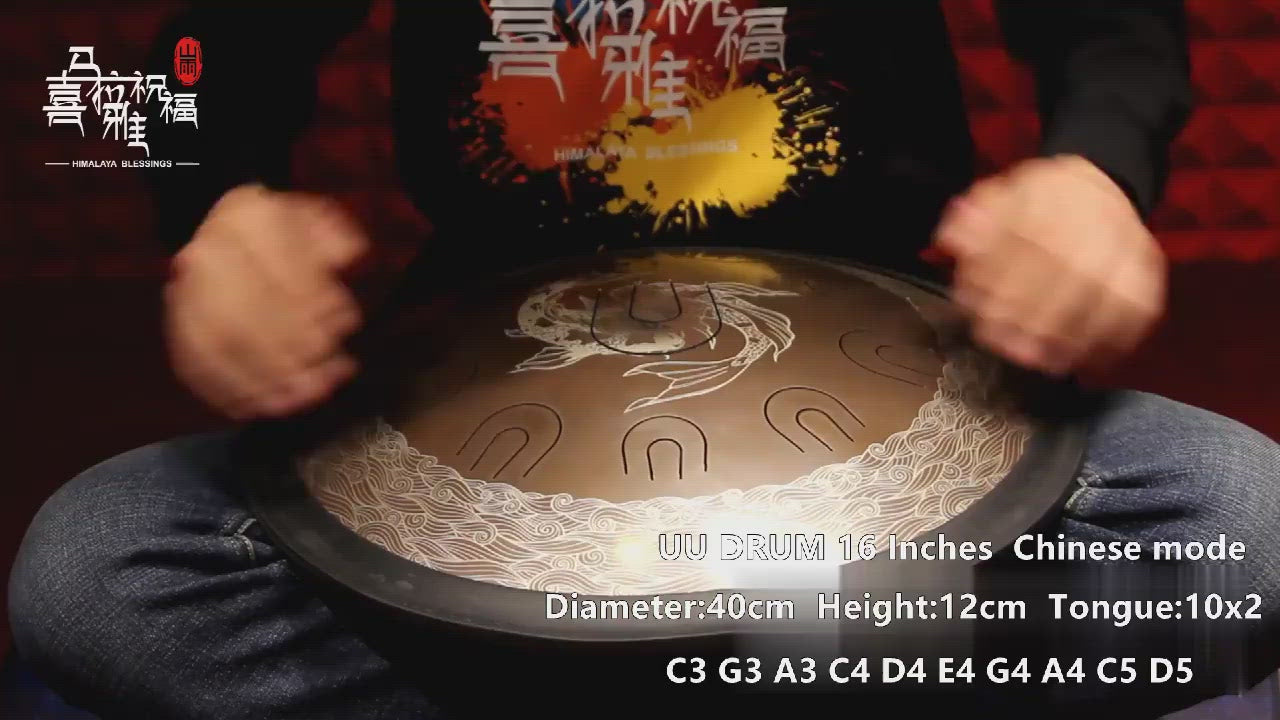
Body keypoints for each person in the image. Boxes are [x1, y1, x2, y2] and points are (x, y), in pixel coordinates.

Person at [8, 2, 1280, 718]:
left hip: (887, 368)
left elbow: (1106, 23)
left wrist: (1095, 164)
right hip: (487, 385)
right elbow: (199, 55)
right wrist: (213, 206)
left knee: (1242, 522)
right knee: (93, 566)